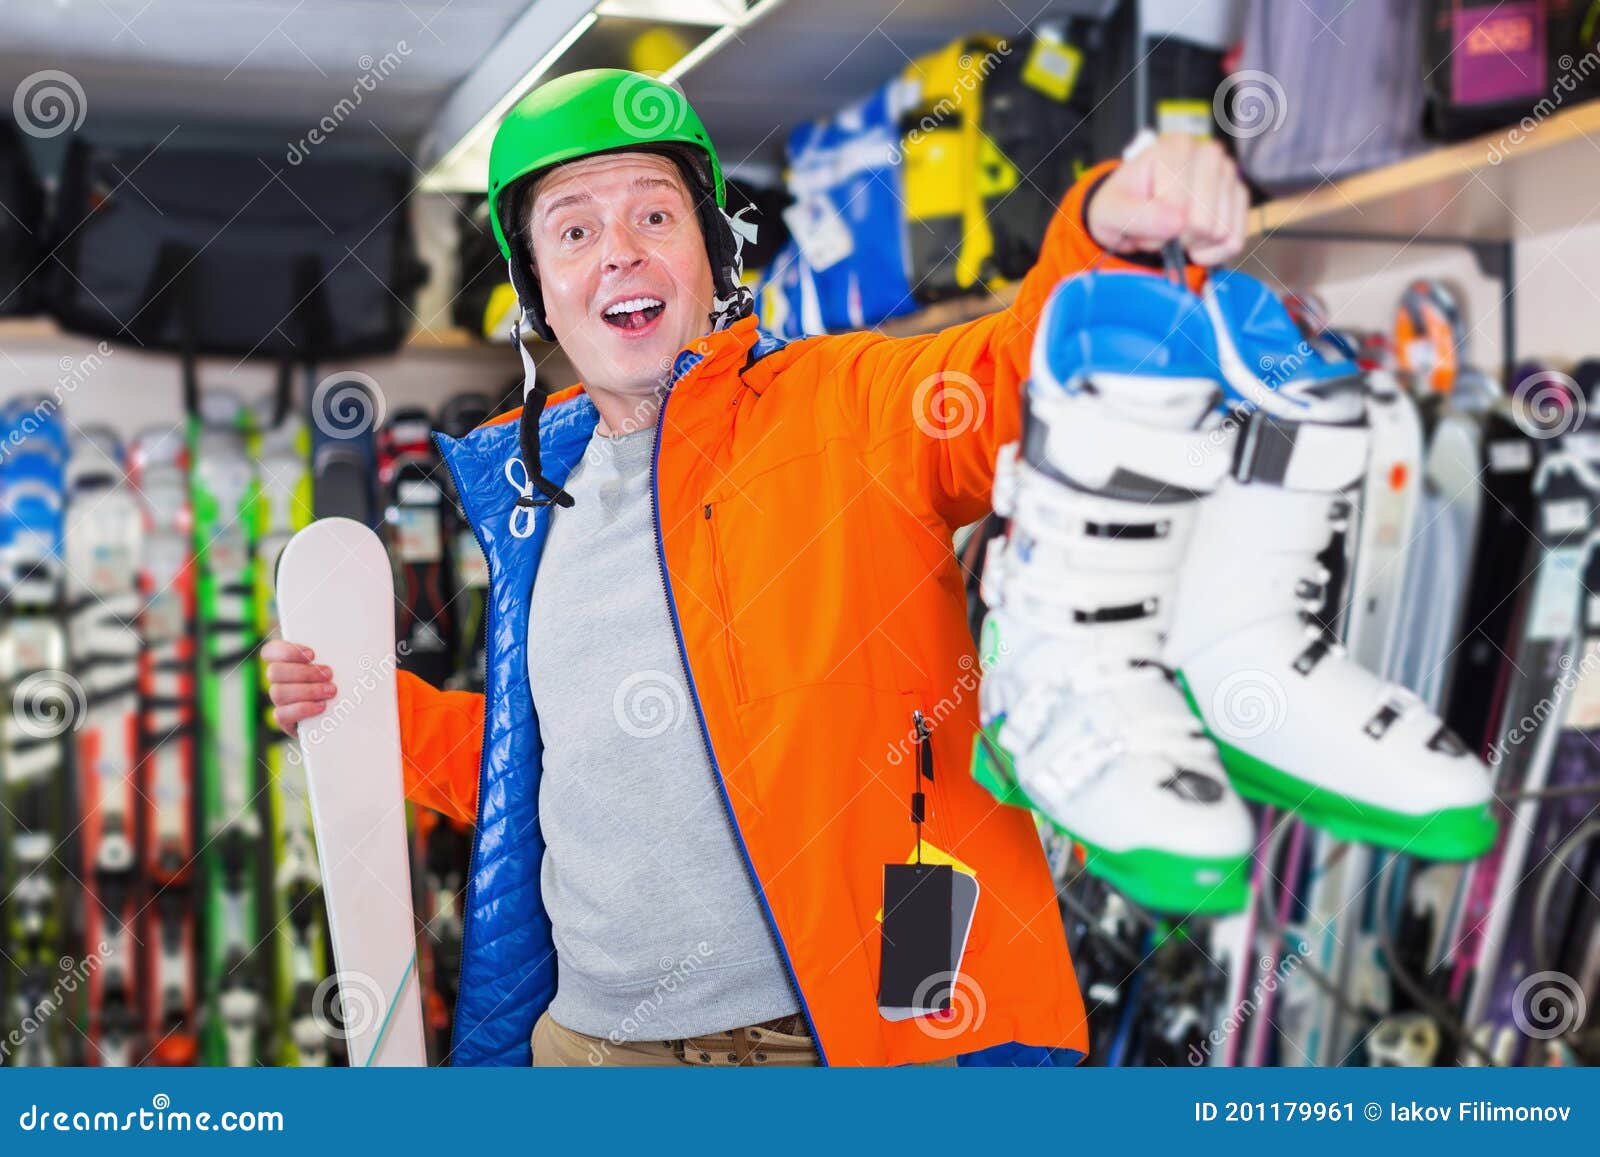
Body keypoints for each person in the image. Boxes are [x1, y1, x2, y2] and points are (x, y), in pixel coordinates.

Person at [262, 68, 1248, 1067]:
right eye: (572, 230)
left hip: (821, 1048)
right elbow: (559, 764)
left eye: (656, 213)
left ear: (709, 253)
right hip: (585, 1049)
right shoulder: (534, 500)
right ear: (537, 295)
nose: (619, 253)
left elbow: (1015, 375)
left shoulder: (843, 408)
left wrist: (1110, 238)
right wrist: (362, 713)